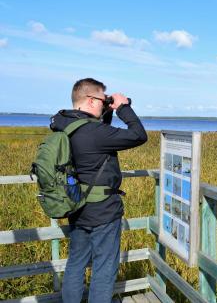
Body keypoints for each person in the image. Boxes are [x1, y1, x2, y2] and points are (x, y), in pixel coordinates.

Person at [50, 78, 147, 302]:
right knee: (103, 270)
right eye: (103, 99)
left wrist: (106, 109)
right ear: (92, 100)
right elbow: (139, 135)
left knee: (76, 264)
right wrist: (123, 108)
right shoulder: (94, 133)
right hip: (103, 211)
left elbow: (99, 132)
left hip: (76, 207)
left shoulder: (63, 124)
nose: (105, 103)